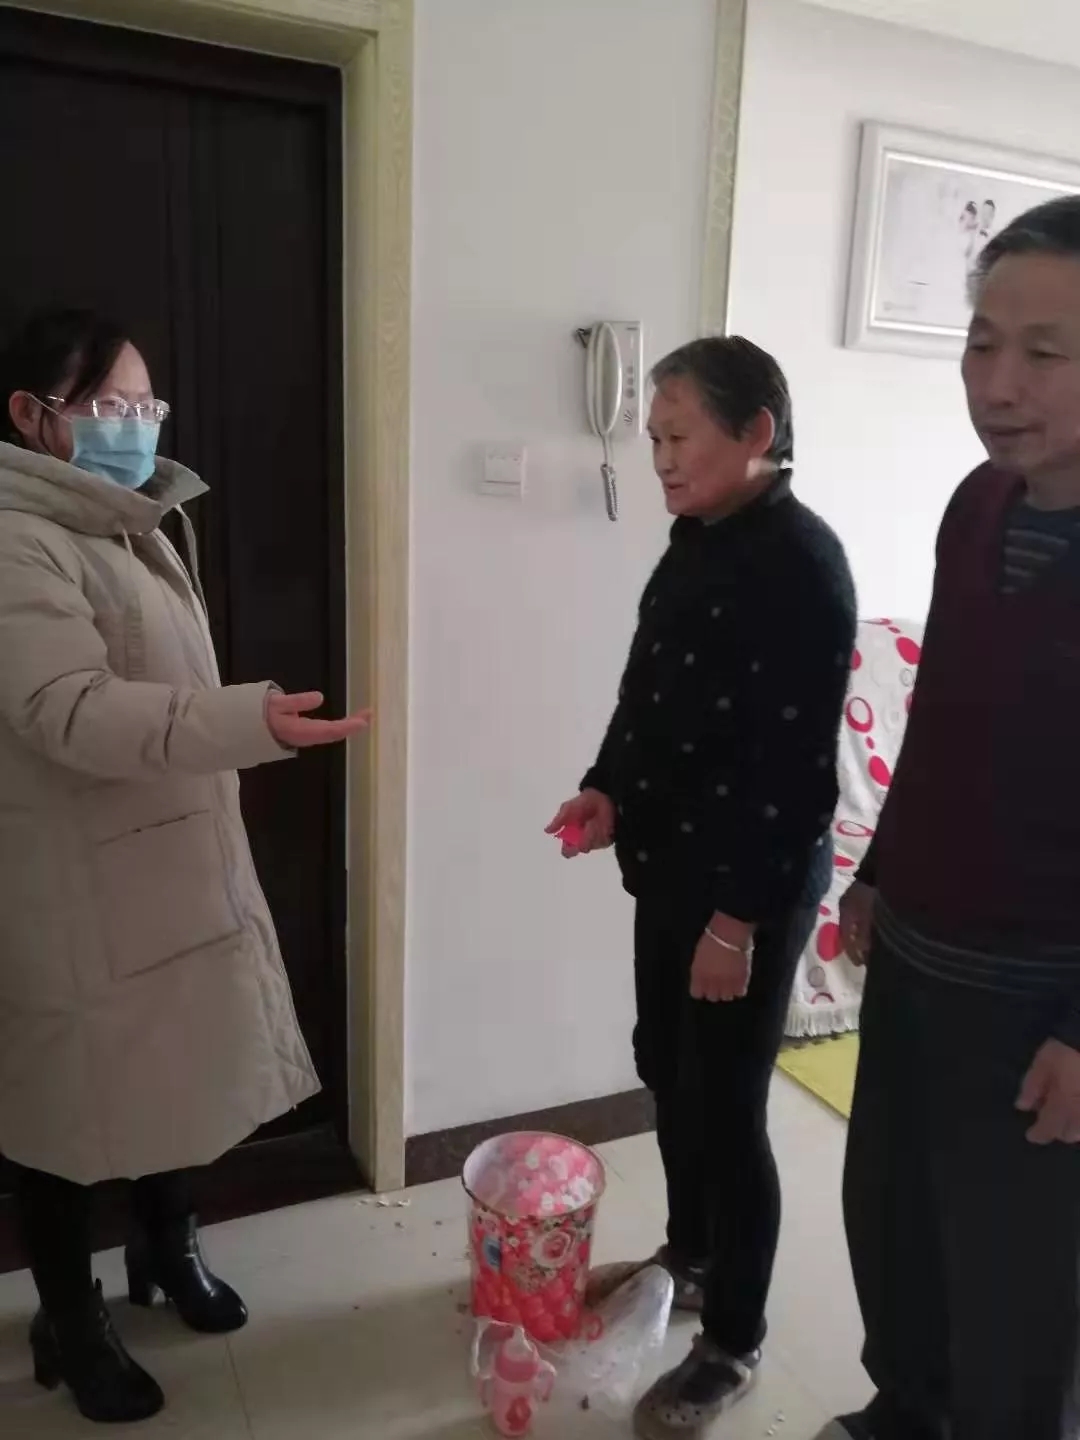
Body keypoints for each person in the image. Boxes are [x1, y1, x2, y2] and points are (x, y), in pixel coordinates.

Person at [0, 309, 369, 1424]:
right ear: (32, 417)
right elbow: (67, 710)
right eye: (111, 405)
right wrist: (250, 721)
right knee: (65, 1111)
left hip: (165, 856)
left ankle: (168, 1248)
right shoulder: (18, 537)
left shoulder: (129, 522)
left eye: (146, 404)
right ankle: (70, 1320)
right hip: (72, 882)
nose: (138, 425)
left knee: (179, 1064)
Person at [547, 337, 856, 1440]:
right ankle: (691, 1250)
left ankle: (733, 1338)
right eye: (655, 439)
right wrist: (606, 788)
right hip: (670, 865)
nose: (663, 459)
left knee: (728, 1111)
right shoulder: (695, 543)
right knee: (667, 1073)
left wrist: (735, 924)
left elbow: (794, 777)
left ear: (757, 432)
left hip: (747, 891)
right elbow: (649, 697)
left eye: (680, 436)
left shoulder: (802, 565)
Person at [816, 195, 1080, 1440]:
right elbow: (943, 713)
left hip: (1040, 1002)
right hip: (920, 958)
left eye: (1045, 352)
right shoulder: (977, 505)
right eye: (982, 343)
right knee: (897, 1222)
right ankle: (904, 1411)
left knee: (1020, 1289)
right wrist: (878, 867)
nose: (998, 383)